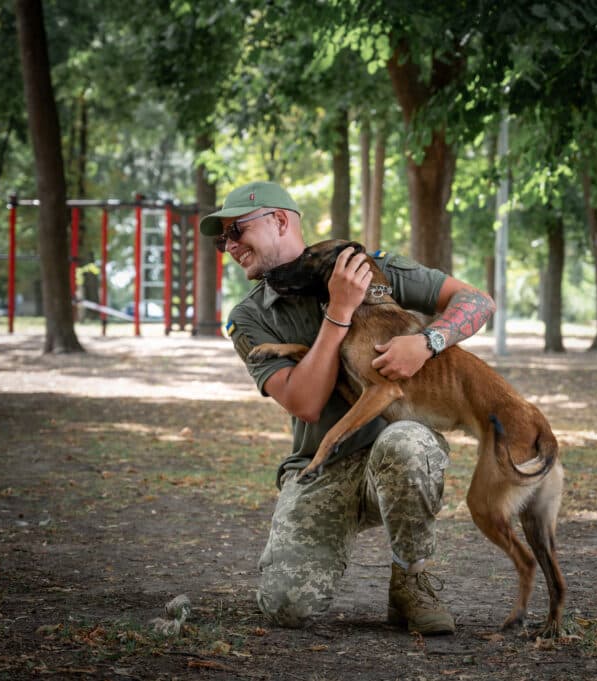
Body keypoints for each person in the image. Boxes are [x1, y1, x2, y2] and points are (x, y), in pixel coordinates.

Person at [200, 181, 496, 635]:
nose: (230, 246)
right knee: (286, 606)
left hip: (391, 456)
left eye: (236, 231)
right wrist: (339, 312)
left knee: (409, 443)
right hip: (322, 465)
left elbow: (477, 301)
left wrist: (427, 341)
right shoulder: (250, 317)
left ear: (279, 220)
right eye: (222, 240)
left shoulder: (370, 269)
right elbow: (306, 403)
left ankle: (411, 581)